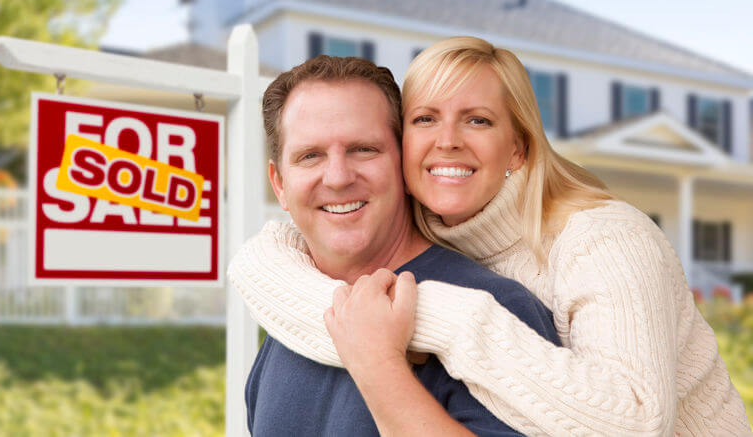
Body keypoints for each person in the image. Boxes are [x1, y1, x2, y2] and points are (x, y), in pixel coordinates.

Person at [229, 37, 752, 436]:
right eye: (426, 119)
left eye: (364, 149)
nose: (447, 142)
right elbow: (266, 262)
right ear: (277, 181)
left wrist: (420, 333)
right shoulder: (300, 308)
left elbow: (638, 421)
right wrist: (254, 265)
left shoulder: (597, 245)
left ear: (519, 148)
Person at [244, 54, 561, 436]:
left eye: (364, 149)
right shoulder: (290, 317)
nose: (338, 177)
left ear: (404, 163)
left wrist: (380, 365)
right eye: (310, 156)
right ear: (279, 184)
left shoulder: (498, 310)